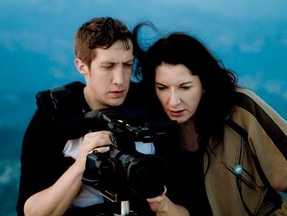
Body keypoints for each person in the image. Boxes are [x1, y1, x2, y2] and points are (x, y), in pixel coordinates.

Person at [132, 22, 287, 215]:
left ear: (204, 84)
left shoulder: (241, 111)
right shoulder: (153, 129)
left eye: (185, 87)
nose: (173, 101)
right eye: (162, 88)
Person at [16, 17, 162, 216]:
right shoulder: (54, 116)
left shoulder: (148, 104)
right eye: (108, 66)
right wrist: (81, 165)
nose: (120, 80)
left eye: (127, 65)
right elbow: (30, 212)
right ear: (82, 66)